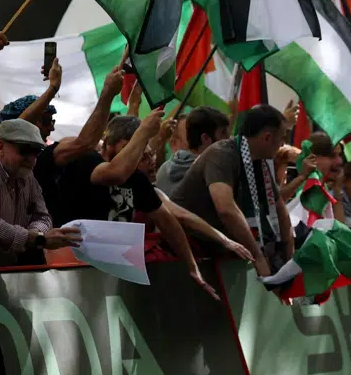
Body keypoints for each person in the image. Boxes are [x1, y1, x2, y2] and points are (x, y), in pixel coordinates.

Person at [50, 110, 204, 287]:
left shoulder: (136, 178)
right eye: (127, 148)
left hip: (114, 271)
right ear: (109, 145)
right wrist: (144, 131)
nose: (132, 156)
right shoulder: (86, 161)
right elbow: (115, 173)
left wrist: (192, 266)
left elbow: (167, 222)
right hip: (71, 267)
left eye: (137, 148)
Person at [171, 104, 293, 278]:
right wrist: (258, 257)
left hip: (218, 249)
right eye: (281, 138)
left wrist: (290, 260)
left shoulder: (259, 163)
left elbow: (280, 210)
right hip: (187, 249)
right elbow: (226, 209)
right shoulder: (221, 154)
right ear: (267, 137)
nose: (282, 145)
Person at [0, 118, 80, 267]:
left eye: (36, 152)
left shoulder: (26, 174)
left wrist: (36, 235)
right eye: (25, 151)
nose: (31, 159)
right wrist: (33, 238)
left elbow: (43, 216)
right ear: (0, 147)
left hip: (8, 267)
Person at [156, 106, 228, 198]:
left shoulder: (164, 169)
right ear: (205, 138)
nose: (228, 139)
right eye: (223, 133)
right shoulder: (209, 176)